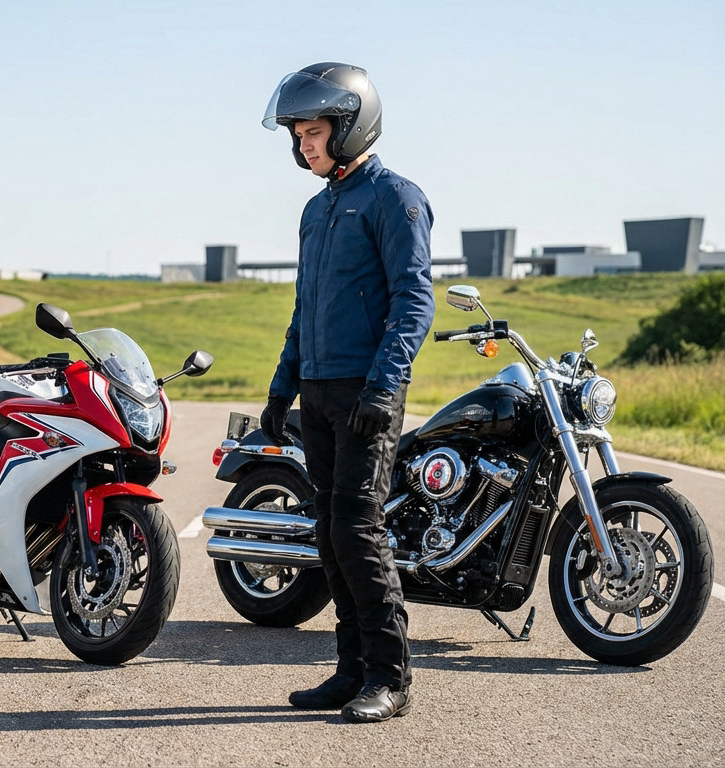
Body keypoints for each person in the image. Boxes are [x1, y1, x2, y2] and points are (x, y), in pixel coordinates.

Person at [258, 62, 434, 723]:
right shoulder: (316, 208)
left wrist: (385, 388)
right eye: (297, 134)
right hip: (318, 391)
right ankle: (350, 669)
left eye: (312, 131)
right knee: (329, 534)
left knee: (358, 531)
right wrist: (281, 390)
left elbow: (414, 301)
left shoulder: (396, 197)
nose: (302, 144)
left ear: (350, 124)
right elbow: (306, 308)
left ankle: (390, 678)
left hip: (366, 391)